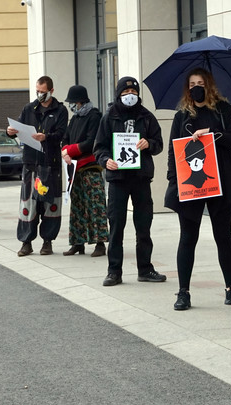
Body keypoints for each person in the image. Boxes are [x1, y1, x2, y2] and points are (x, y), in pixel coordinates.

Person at [164, 67, 231, 311]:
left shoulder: (222, 109)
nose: (196, 87)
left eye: (200, 83)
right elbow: (173, 151)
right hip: (190, 184)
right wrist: (174, 180)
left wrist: (211, 133)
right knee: (188, 238)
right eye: (192, 84)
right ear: (187, 88)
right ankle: (183, 292)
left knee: (224, 237)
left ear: (209, 84)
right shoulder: (182, 115)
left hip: (220, 181)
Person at [94, 76, 166, 286]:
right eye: (125, 94)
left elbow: (159, 143)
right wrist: (106, 161)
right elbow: (99, 147)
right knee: (116, 226)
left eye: (133, 93)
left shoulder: (147, 117)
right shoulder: (109, 117)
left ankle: (145, 268)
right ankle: (114, 271)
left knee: (144, 225)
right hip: (118, 179)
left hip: (141, 178)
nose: (130, 97)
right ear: (118, 95)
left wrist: (149, 144)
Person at [6, 75, 68, 256]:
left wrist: (46, 136)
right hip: (31, 162)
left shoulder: (60, 110)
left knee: (50, 202)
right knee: (29, 202)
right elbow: (19, 127)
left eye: (43, 92)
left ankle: (47, 241)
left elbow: (63, 133)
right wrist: (11, 132)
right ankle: (26, 241)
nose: (40, 95)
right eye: (38, 91)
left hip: (51, 163)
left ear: (51, 91)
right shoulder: (29, 108)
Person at [60, 85, 108, 257]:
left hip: (90, 167)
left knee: (95, 206)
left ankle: (100, 243)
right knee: (77, 206)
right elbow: (65, 138)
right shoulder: (75, 118)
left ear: (80, 102)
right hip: (74, 169)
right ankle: (77, 242)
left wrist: (69, 150)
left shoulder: (94, 116)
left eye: (72, 102)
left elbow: (91, 142)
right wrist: (65, 151)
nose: (71, 106)